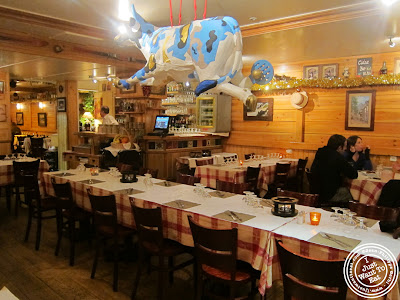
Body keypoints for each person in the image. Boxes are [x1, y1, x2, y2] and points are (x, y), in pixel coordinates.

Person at [311, 134, 358, 205]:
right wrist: (353, 160)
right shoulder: (337, 157)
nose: (345, 149)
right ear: (339, 147)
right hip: (329, 195)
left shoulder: (320, 152)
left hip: (315, 192)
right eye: (345, 146)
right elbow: (353, 174)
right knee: (352, 194)